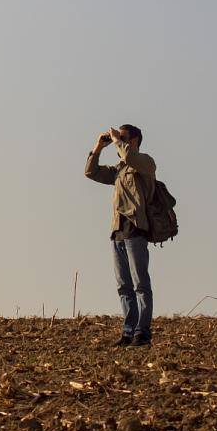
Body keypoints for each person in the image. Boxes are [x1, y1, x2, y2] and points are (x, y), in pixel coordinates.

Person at [85, 124, 157, 346]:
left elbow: (131, 158)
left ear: (134, 140)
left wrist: (118, 142)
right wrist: (98, 147)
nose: (117, 139)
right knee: (123, 286)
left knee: (140, 284)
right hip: (118, 231)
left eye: (124, 137)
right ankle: (128, 331)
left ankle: (142, 332)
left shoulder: (145, 163)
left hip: (136, 229)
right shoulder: (118, 169)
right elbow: (91, 172)